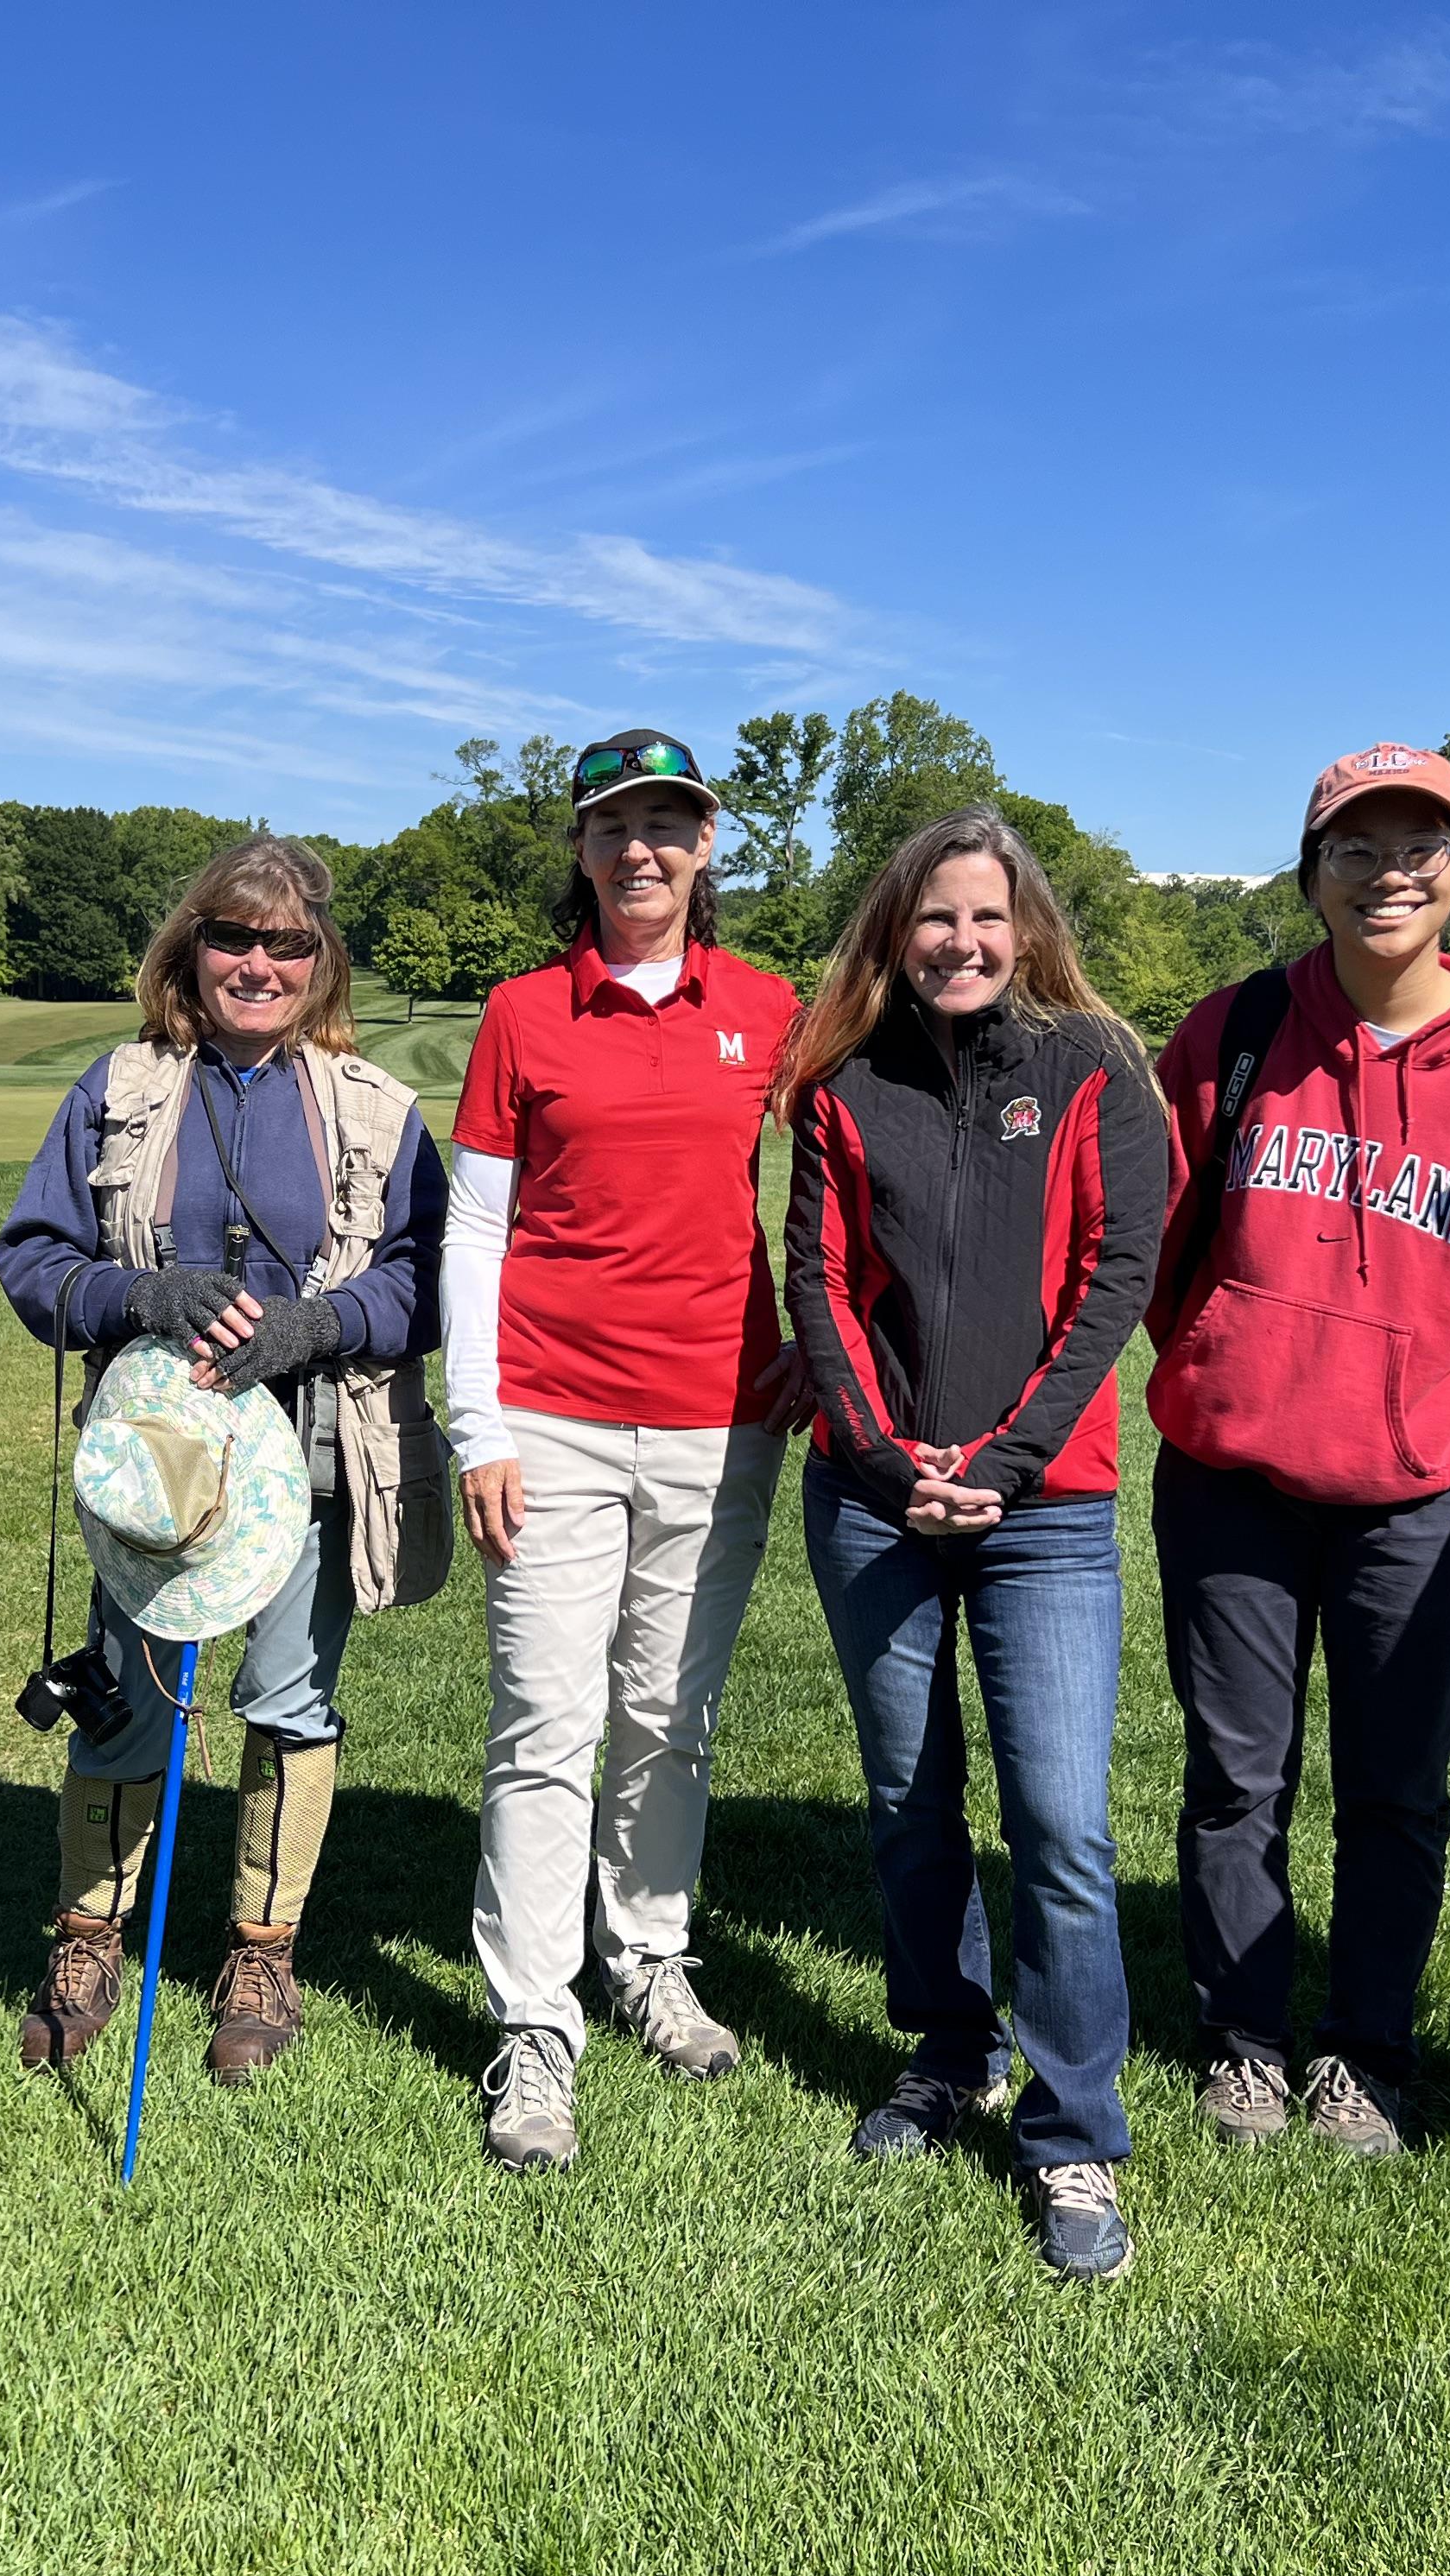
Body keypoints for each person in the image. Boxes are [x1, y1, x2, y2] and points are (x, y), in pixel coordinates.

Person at [1143, 742, 1450, 2156]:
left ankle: (1365, 2051)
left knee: (1396, 1790)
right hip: (1231, 1478)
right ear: (1314, 877)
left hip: (1416, 1494)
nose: (1390, 871)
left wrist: (1446, 1405)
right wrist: (1235, 1367)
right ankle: (1243, 2043)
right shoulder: (1232, 1033)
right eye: (1357, 847)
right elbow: (1163, 1250)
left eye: (1424, 846)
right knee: (1237, 1777)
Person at [779, 807, 1169, 2280]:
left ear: (1029, 931)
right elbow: (817, 1280)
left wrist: (997, 1464)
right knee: (909, 1798)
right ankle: (954, 2051)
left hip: (1046, 1509)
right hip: (873, 1495)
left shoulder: (1092, 1072)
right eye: (935, 918)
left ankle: (1074, 2134)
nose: (961, 943)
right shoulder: (845, 1081)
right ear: (899, 929)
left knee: (1062, 1825)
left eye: (987, 919)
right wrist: (889, 1459)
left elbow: (1114, 1278)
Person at [0, 836, 448, 2084]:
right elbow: (31, 1259)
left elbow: (429, 1279)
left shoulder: (375, 1108)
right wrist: (140, 1294)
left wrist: (325, 1323)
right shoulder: (120, 1084)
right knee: (131, 1696)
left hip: (311, 1454)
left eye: (288, 943)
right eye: (233, 937)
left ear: (321, 962)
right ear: (189, 948)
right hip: (153, 1463)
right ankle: (91, 1933)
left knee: (287, 1702)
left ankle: (263, 1949)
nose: (258, 962)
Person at [450, 729, 814, 2173]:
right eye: (615, 828)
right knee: (548, 1724)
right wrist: (476, 1422)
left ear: (709, 845)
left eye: (669, 825)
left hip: (720, 1420)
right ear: (583, 852)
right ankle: (535, 2025)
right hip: (549, 1414)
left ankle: (649, 1954)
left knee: (672, 1713)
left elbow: (852, 1179)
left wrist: (821, 1344)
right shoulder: (524, 1012)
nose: (642, 850)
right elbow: (478, 1229)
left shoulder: (773, 1010)